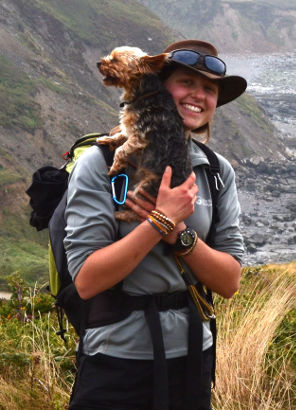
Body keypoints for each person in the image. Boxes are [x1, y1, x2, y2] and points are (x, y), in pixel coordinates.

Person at [64, 40, 247, 409]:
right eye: (186, 82)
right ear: (159, 86)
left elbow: (229, 281)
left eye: (209, 89)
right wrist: (159, 221)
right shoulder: (103, 163)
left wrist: (179, 234)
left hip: (193, 358)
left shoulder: (215, 172)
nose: (198, 95)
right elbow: (86, 280)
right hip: (116, 360)